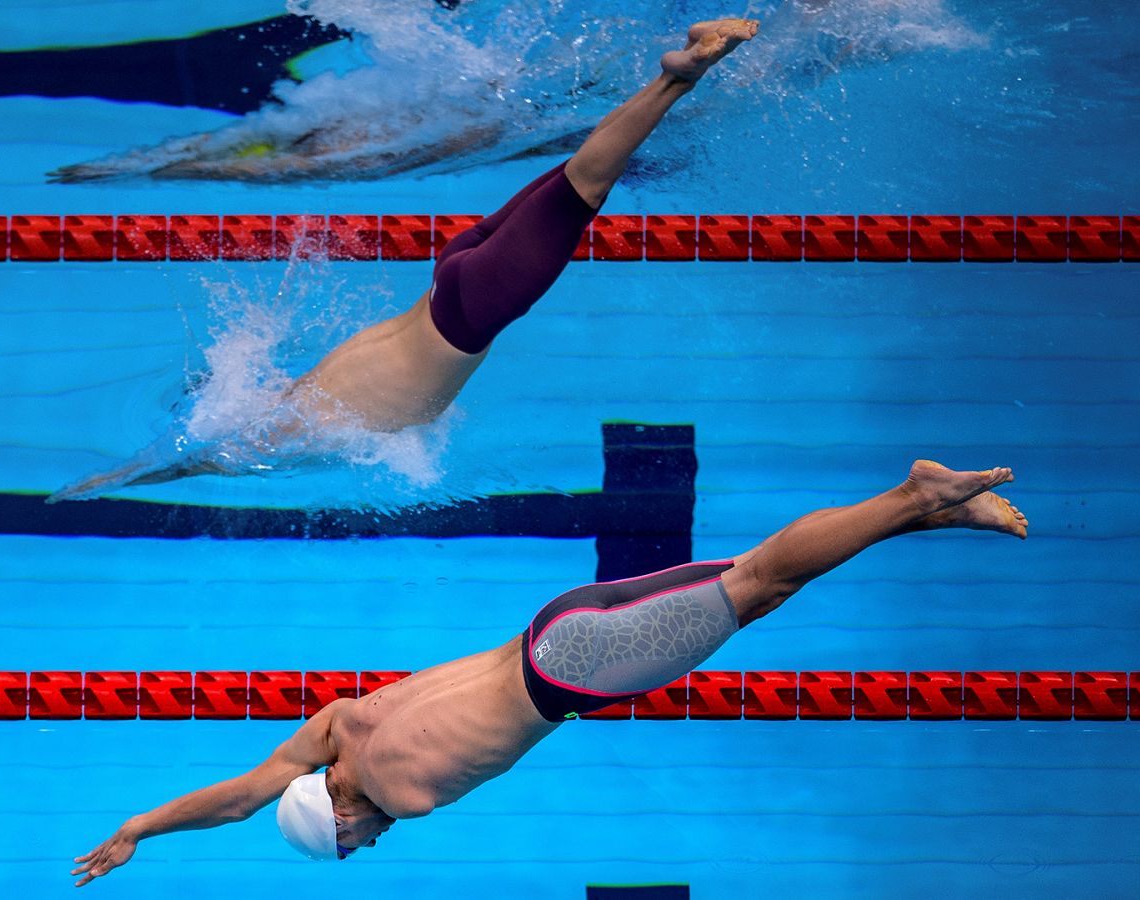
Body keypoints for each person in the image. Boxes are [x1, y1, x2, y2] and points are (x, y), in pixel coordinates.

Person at [71, 460, 1029, 883]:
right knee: (757, 586)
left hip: (575, 671)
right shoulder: (337, 726)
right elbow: (249, 794)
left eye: (353, 848)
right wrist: (140, 829)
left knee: (762, 582)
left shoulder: (399, 798)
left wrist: (153, 833)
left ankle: (915, 493)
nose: (371, 849)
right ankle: (931, 514)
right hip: (550, 625)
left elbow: (260, 802)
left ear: (345, 818)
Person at [50, 19, 760, 501]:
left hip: (460, 301)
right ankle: (669, 79)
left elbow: (197, 459)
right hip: (454, 297)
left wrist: (114, 481)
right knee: (575, 180)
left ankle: (681, 75)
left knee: (582, 184)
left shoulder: (281, 431)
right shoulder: (281, 413)